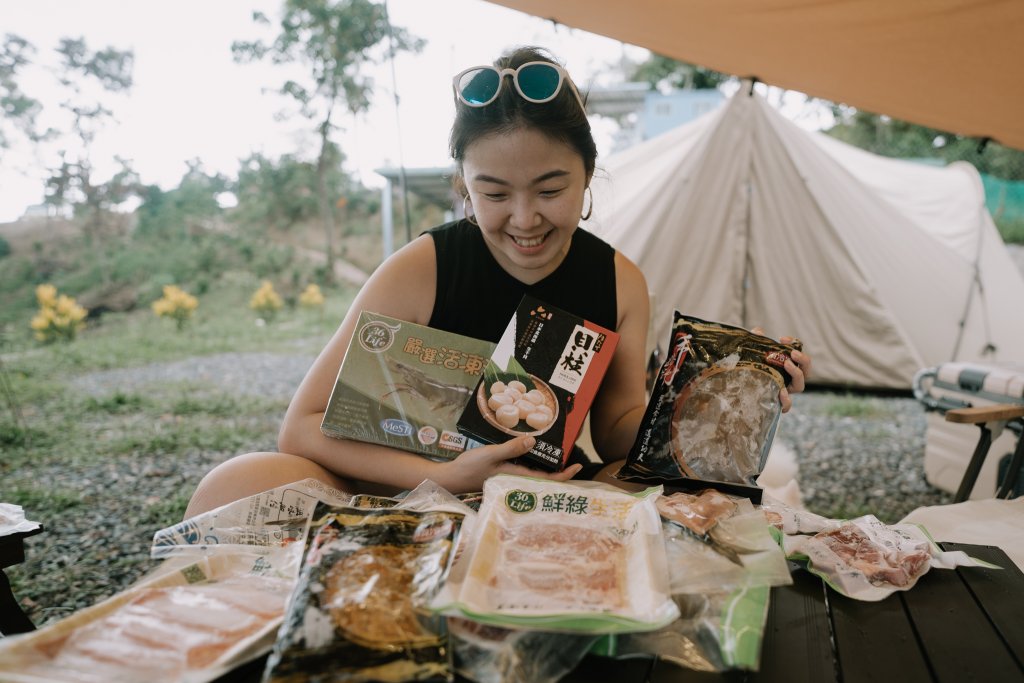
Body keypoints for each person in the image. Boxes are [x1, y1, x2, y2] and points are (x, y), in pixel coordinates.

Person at [184, 46, 811, 517]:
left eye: (550, 189)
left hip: (545, 493)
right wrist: (452, 477)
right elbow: (304, 425)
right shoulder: (421, 267)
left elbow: (620, 423)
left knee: (662, 485)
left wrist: (723, 392)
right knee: (233, 487)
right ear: (463, 185)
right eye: (493, 192)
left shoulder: (620, 281)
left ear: (588, 174)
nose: (524, 219)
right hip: (413, 491)